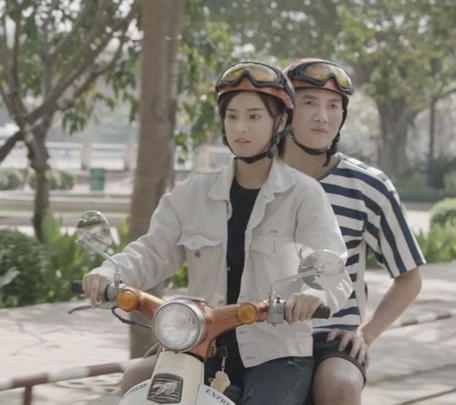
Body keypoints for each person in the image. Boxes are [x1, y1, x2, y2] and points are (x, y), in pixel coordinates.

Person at [82, 60, 353, 405]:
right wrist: (109, 272)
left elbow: (330, 265)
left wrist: (314, 294)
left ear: (280, 122)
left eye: (254, 116)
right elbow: (152, 251)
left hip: (277, 354)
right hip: (200, 346)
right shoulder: (192, 194)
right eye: (232, 116)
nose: (241, 127)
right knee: (142, 392)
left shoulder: (303, 194)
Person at [281, 58, 425, 405]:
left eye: (334, 106)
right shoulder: (254, 177)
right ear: (283, 111)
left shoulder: (369, 186)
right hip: (254, 330)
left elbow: (409, 277)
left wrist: (365, 333)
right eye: (309, 103)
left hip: (330, 339)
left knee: (339, 382)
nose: (323, 116)